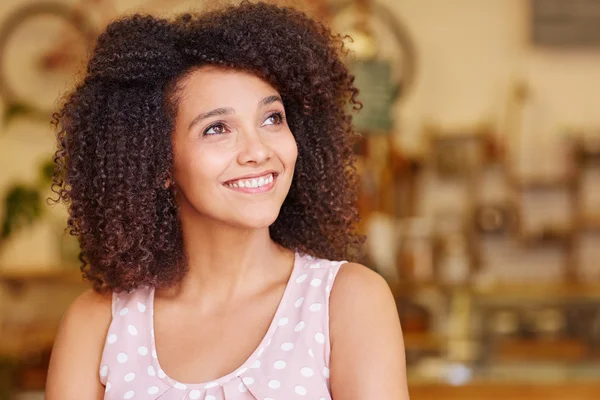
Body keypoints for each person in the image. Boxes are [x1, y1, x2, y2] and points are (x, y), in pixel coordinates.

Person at [46, 1, 409, 399]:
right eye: (217, 128)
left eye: (272, 119)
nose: (257, 151)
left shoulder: (348, 301)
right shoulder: (96, 324)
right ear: (158, 161)